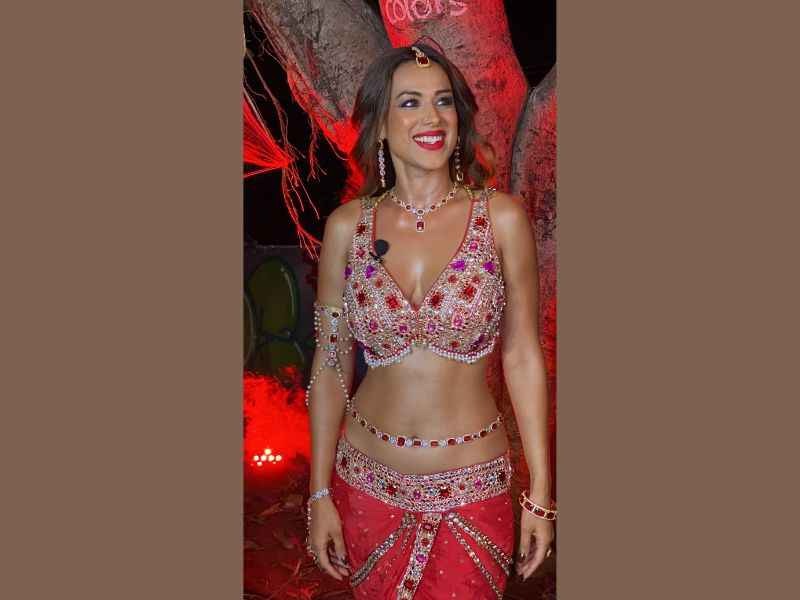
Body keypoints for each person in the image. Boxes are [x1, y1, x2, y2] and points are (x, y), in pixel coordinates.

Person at [303, 44, 555, 599]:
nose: (432, 118)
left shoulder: (500, 218)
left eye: (443, 101)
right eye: (410, 102)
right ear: (379, 126)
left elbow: (521, 355)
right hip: (365, 484)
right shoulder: (346, 228)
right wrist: (319, 494)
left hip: (473, 490)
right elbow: (330, 363)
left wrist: (540, 492)